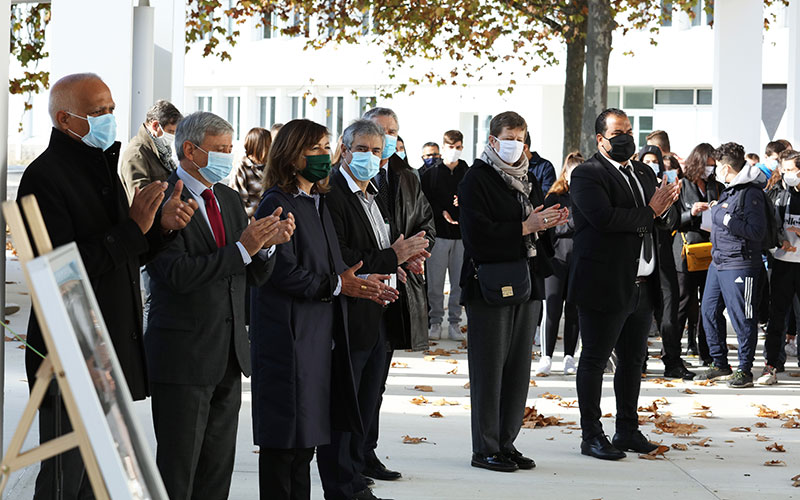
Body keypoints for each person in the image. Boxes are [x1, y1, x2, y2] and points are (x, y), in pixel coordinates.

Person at [17, 73, 195, 499]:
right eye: (99, 112)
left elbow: (123, 256)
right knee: (66, 479)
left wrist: (159, 230)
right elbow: (57, 270)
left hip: (109, 346)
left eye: (112, 108)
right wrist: (134, 228)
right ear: (66, 119)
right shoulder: (42, 178)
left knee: (100, 480)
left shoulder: (102, 168)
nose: (111, 118)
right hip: (71, 352)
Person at [144, 112, 292, 500]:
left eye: (231, 149)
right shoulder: (162, 198)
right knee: (179, 469)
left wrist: (266, 246)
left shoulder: (225, 196)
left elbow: (246, 276)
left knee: (217, 468)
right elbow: (174, 274)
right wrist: (244, 249)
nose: (229, 157)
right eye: (221, 150)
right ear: (190, 150)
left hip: (228, 354)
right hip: (184, 356)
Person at [250, 119, 384, 500]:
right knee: (284, 444)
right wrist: (338, 284)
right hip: (288, 337)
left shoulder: (317, 201)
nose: (327, 156)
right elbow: (282, 271)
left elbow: (333, 264)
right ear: (292, 157)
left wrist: (359, 283)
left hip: (316, 334)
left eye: (328, 147)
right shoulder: (278, 202)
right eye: (317, 149)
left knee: (305, 442)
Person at [321, 119, 426, 500]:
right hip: (349, 314)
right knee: (345, 408)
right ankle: (343, 485)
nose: (368, 157)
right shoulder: (332, 193)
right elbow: (343, 257)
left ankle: (355, 476)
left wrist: (402, 261)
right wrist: (390, 256)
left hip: (379, 311)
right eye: (360, 149)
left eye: (376, 150)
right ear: (344, 150)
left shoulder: (373, 194)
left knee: (366, 402)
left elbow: (379, 249)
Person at [460, 111, 568, 472]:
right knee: (489, 369)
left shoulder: (528, 178)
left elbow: (535, 226)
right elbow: (476, 234)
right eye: (509, 137)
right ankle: (485, 447)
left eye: (521, 137)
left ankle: (507, 442)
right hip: (489, 284)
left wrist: (548, 223)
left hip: (528, 280)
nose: (516, 144)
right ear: (493, 141)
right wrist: (525, 226)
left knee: (518, 368)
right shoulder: (477, 178)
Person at [569, 108, 679, 460]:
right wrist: (651, 211)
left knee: (633, 361)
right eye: (618, 133)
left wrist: (665, 209)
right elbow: (604, 219)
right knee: (595, 360)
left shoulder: (644, 171)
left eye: (629, 131)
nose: (626, 138)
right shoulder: (588, 174)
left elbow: (663, 217)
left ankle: (627, 429)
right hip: (604, 281)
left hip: (641, 283)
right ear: (600, 139)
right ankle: (591, 435)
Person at [362, 106, 435, 482]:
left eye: (393, 131)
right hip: (361, 289)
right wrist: (392, 258)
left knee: (378, 378)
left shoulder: (407, 175)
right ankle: (350, 453)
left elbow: (426, 223)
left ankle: (366, 451)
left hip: (398, 289)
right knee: (357, 380)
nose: (386, 138)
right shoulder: (348, 178)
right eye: (379, 130)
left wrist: (418, 253)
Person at [698, 142, 769, 388]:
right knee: (708, 310)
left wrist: (722, 216)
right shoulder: (730, 189)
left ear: (727, 168)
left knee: (742, 317)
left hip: (741, 263)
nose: (715, 171)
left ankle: (744, 369)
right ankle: (720, 363)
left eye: (717, 166)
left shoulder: (751, 193)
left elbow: (756, 231)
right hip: (719, 261)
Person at [637, 145, 693, 379]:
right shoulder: (633, 184)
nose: (651, 164)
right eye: (646, 160)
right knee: (638, 313)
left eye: (655, 161)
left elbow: (673, 221)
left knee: (668, 313)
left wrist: (667, 201)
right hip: (638, 257)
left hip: (663, 256)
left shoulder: (668, 186)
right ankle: (638, 360)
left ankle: (673, 360)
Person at [674, 143, 723, 367]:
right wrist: (691, 212)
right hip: (686, 250)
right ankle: (673, 353)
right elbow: (671, 219)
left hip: (711, 250)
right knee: (683, 301)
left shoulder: (717, 187)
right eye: (707, 165)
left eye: (713, 166)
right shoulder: (681, 185)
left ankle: (709, 352)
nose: (709, 170)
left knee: (710, 305)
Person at [535, 151, 583, 376]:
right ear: (566, 174)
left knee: (574, 310)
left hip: (580, 260)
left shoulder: (589, 195)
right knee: (551, 309)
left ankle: (569, 357)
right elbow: (549, 226)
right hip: (556, 258)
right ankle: (546, 356)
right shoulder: (554, 197)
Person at [421, 129, 469, 340]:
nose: (454, 151)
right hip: (438, 235)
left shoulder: (467, 172)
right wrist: (442, 212)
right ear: (444, 147)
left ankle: (455, 323)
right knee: (435, 283)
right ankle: (435, 322)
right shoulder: (431, 174)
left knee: (459, 282)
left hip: (461, 236)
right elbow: (425, 202)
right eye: (451, 147)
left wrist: (463, 204)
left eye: (458, 147)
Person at [760, 150, 800, 384]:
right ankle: (772, 364)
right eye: (783, 170)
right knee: (777, 317)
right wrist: (778, 240)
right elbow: (769, 227)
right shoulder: (778, 194)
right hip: (782, 264)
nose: (786, 175)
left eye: (791, 170)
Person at [120, 99, 183, 199]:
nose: (173, 136)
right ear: (155, 125)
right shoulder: (136, 153)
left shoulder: (162, 151)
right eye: (170, 131)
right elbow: (142, 200)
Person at [232, 127, 271, 217]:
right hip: (253, 222)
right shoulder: (242, 167)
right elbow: (238, 206)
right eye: (269, 144)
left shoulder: (272, 166)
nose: (272, 148)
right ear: (258, 147)